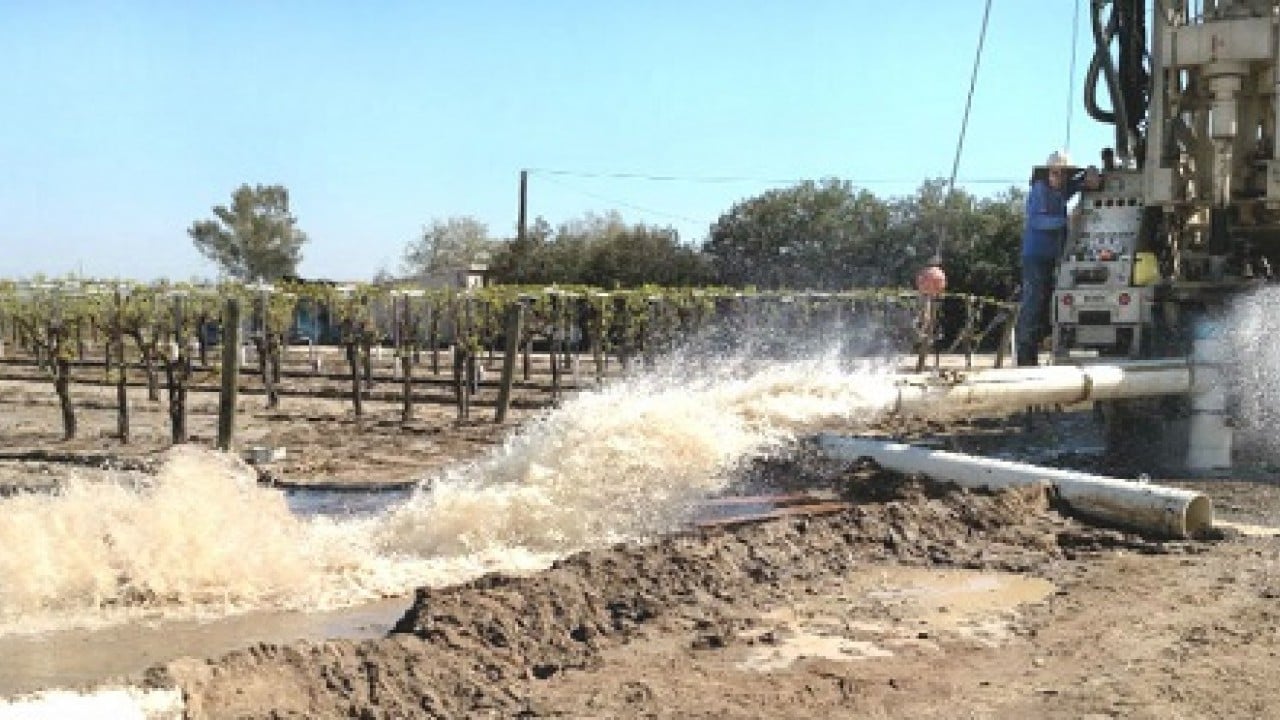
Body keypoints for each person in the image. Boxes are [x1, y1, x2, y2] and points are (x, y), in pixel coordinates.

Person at [1016, 151, 1100, 366]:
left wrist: (1089, 176)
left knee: (1049, 302)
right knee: (1034, 303)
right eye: (1056, 174)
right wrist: (1066, 220)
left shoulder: (1061, 190)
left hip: (1052, 256)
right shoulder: (1039, 191)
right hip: (1036, 256)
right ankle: (1026, 357)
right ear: (1048, 174)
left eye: (1064, 175)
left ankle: (1043, 345)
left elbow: (1077, 185)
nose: (1060, 178)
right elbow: (1037, 221)